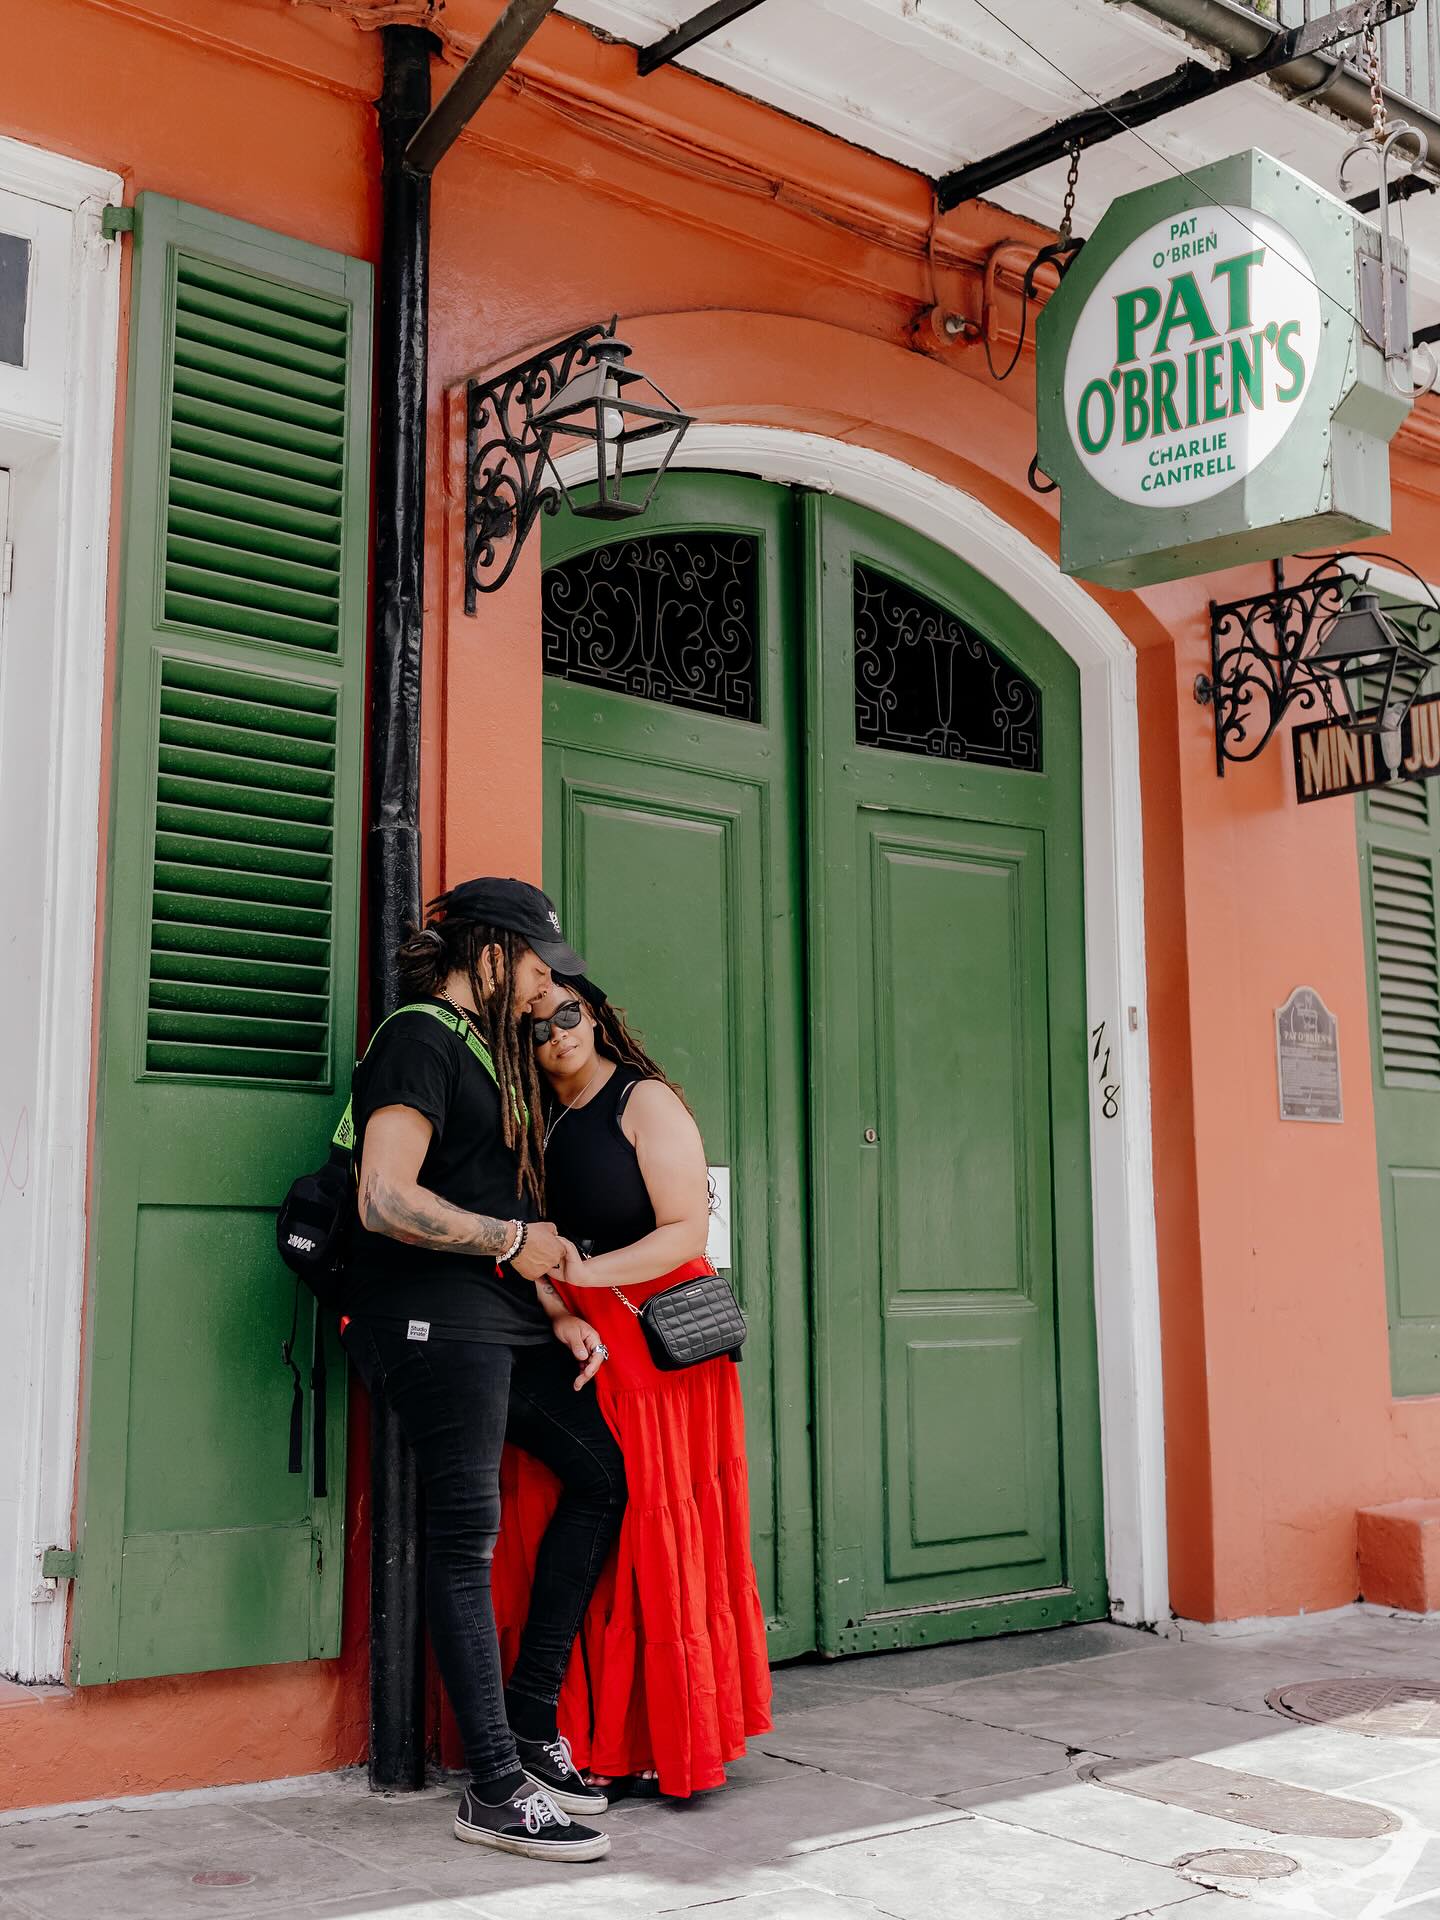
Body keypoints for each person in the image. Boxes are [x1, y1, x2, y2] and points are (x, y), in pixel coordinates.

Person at [339, 878, 623, 1862]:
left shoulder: (490, 1055)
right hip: (425, 1314)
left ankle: (531, 1729)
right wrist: (513, 1243)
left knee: (600, 1476)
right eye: (540, 968)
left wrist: (557, 1306)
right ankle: (495, 1791)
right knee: (463, 1539)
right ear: (492, 953)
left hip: (499, 1316)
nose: (551, 992)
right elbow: (384, 1197)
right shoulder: (417, 1037)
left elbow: (503, 1213)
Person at [492, 975, 773, 1800]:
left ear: (599, 1015)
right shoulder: (538, 1122)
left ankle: (652, 1737)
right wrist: (560, 1300)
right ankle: (583, 1732)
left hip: (655, 1342)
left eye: (569, 1014)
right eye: (538, 1029)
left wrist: (584, 1275)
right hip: (585, 1331)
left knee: (652, 1529)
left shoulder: (644, 1101)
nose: (559, 1034)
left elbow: (686, 1230)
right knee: (588, 1516)